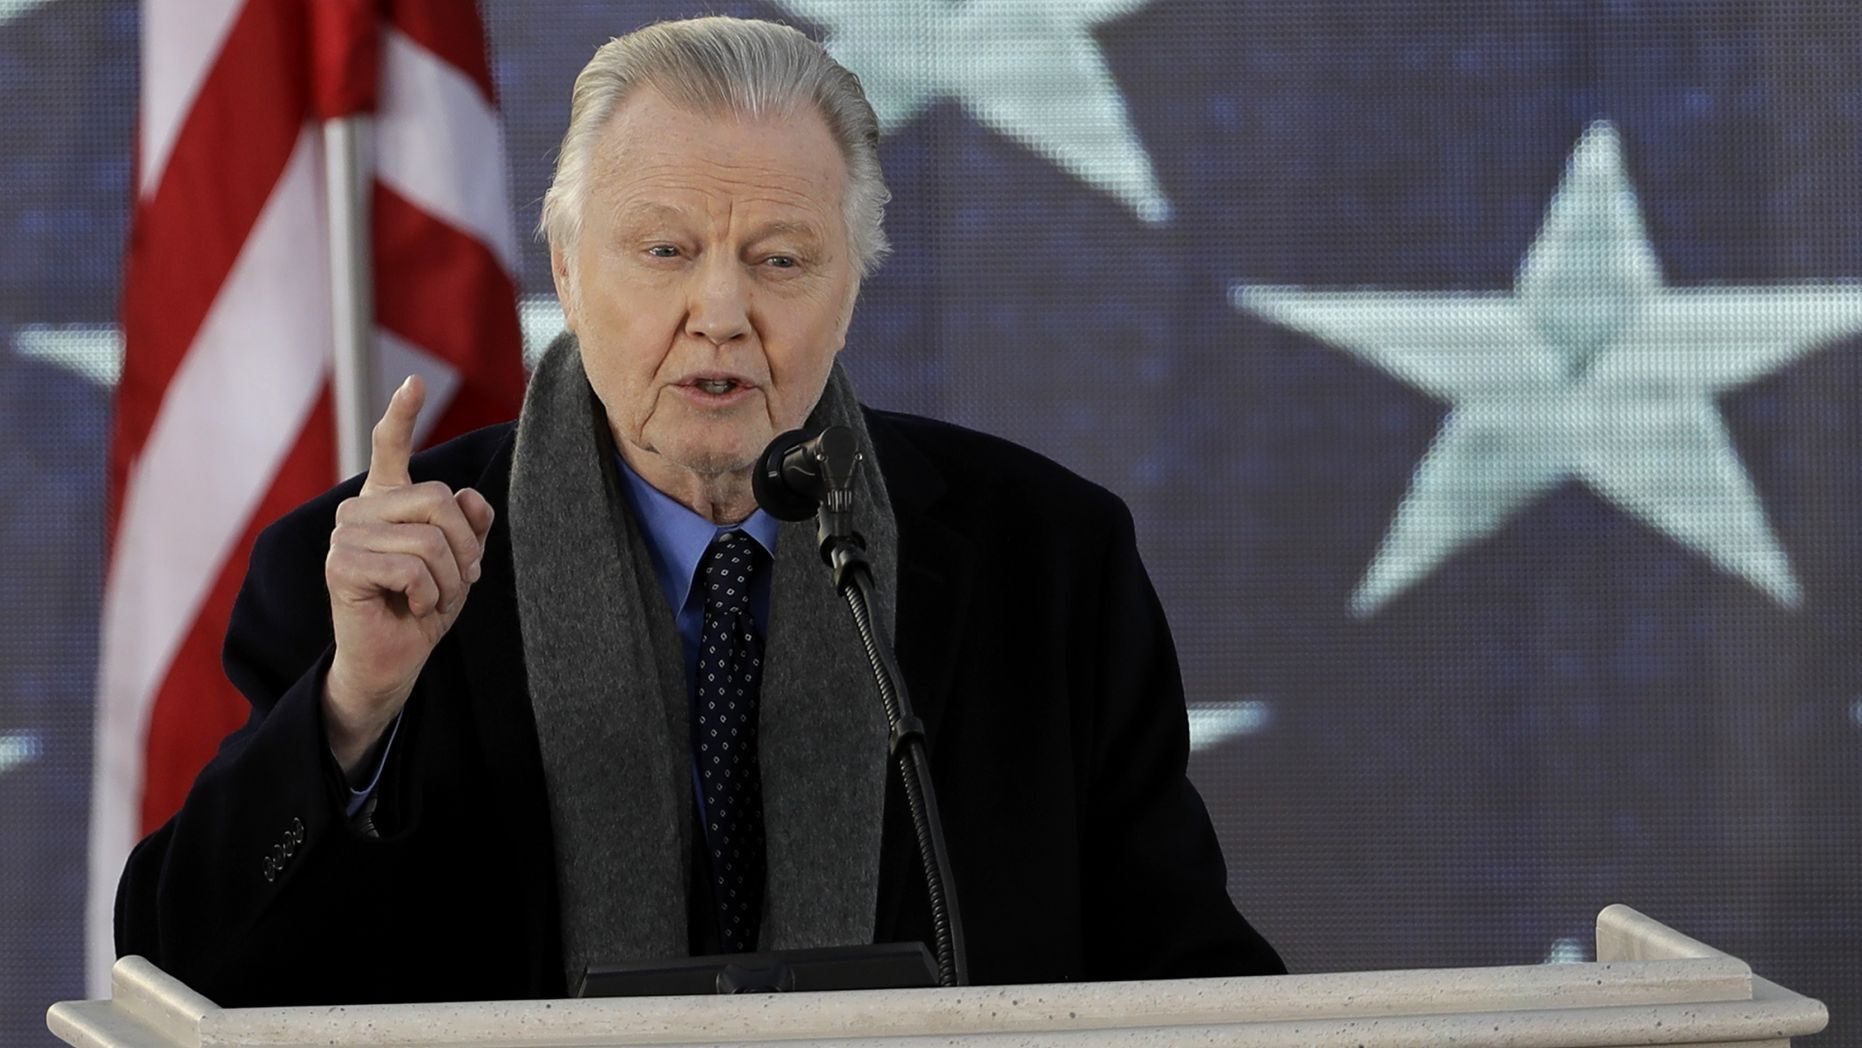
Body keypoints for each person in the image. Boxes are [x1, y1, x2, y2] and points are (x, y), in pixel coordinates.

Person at [115, 16, 1283, 1006]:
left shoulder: (1049, 563)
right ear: (568, 272)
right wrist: (355, 707)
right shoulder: (368, 576)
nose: (718, 310)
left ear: (851, 280)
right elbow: (183, 968)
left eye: (779, 260)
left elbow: (1187, 978)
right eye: (664, 250)